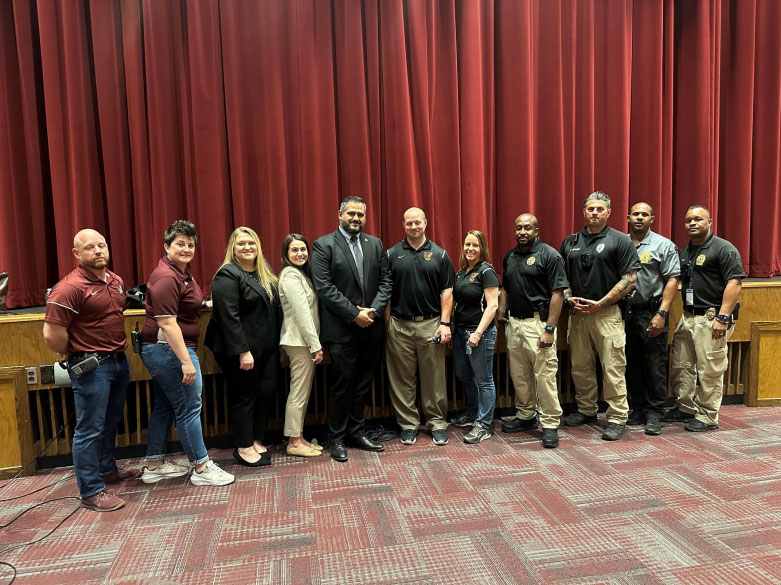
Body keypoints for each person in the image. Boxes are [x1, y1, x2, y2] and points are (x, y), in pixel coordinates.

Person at [43, 229, 139, 511]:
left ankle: (108, 470)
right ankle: (91, 490)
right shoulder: (69, 287)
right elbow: (52, 333)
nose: (98, 251)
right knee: (89, 428)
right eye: (90, 248)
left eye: (102, 245)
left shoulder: (116, 280)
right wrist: (73, 352)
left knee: (110, 421)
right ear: (77, 254)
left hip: (118, 361)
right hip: (91, 366)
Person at [139, 220, 234, 486]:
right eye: (180, 244)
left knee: (165, 406)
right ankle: (202, 468)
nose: (186, 249)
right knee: (189, 408)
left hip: (166, 351)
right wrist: (185, 362)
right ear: (166, 246)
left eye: (191, 244)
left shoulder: (180, 272)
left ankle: (154, 465)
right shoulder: (167, 277)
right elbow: (168, 324)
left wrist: (205, 303)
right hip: (169, 351)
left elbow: (182, 306)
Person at [310, 195, 392, 462]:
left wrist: (373, 311)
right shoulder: (323, 245)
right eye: (351, 214)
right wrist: (354, 314)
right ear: (340, 214)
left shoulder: (375, 244)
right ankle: (336, 438)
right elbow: (324, 288)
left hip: (371, 327)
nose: (356, 219)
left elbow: (386, 281)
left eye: (360, 215)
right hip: (342, 330)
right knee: (342, 385)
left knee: (362, 384)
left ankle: (357, 433)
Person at [560, 191, 640, 441]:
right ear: (583, 212)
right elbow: (561, 278)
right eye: (590, 209)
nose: (595, 213)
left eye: (599, 209)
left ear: (608, 212)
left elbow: (630, 279)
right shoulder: (570, 241)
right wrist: (568, 296)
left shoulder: (620, 240)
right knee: (580, 368)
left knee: (613, 368)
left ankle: (617, 417)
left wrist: (601, 303)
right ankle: (586, 410)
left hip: (607, 314)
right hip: (578, 316)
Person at [205, 227, 281, 466]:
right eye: (241, 244)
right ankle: (244, 447)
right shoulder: (227, 275)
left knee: (265, 392)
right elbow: (229, 316)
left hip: (266, 348)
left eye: (252, 243)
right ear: (233, 249)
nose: (248, 247)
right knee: (244, 396)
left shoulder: (264, 274)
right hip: (240, 350)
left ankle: (257, 439)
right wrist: (242, 351)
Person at [665, 205, 743, 431]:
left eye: (698, 219)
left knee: (709, 369)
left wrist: (723, 317)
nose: (692, 223)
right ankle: (686, 407)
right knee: (682, 365)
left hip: (712, 317)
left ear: (710, 222)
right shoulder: (686, 251)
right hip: (688, 316)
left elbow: (734, 283)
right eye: (688, 220)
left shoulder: (723, 249)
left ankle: (708, 416)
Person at [385, 207, 454, 446]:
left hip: (431, 324)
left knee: (434, 379)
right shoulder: (391, 254)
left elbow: (448, 291)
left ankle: (437, 423)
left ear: (426, 223)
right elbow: (385, 290)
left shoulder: (440, 255)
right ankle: (408, 424)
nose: (414, 227)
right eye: (409, 224)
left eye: (418, 223)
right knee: (401, 379)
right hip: (399, 325)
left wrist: (445, 323)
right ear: (403, 226)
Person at [498, 214, 568, 448]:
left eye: (527, 228)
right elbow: (505, 288)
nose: (522, 232)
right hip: (514, 324)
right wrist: (501, 311)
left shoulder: (549, 255)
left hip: (539, 323)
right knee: (519, 374)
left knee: (544, 375)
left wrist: (550, 329)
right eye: (518, 228)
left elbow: (558, 293)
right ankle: (526, 415)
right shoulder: (510, 256)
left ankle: (549, 422)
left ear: (537, 230)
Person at [624, 203, 680, 435]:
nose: (639, 218)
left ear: (652, 218)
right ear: (628, 217)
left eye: (644, 214)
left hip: (652, 311)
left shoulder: (663, 245)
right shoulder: (621, 243)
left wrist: (662, 313)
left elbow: (672, 280)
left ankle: (655, 412)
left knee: (655, 363)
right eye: (635, 214)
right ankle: (637, 408)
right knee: (631, 362)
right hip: (626, 311)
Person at [450, 230, 500, 444]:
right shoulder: (461, 272)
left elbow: (493, 306)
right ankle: (471, 413)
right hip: (460, 332)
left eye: (475, 245)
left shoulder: (486, 271)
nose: (470, 249)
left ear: (482, 248)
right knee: (464, 375)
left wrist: (478, 333)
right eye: (467, 245)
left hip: (479, 334)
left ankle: (483, 424)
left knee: (484, 380)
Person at [278, 233, 324, 457]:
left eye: (303, 249)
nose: (300, 253)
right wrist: (315, 345)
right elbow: (302, 314)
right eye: (294, 250)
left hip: (302, 341)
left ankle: (299, 437)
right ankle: (294, 442)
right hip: (299, 342)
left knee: (302, 391)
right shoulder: (289, 276)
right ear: (286, 254)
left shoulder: (299, 274)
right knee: (298, 392)